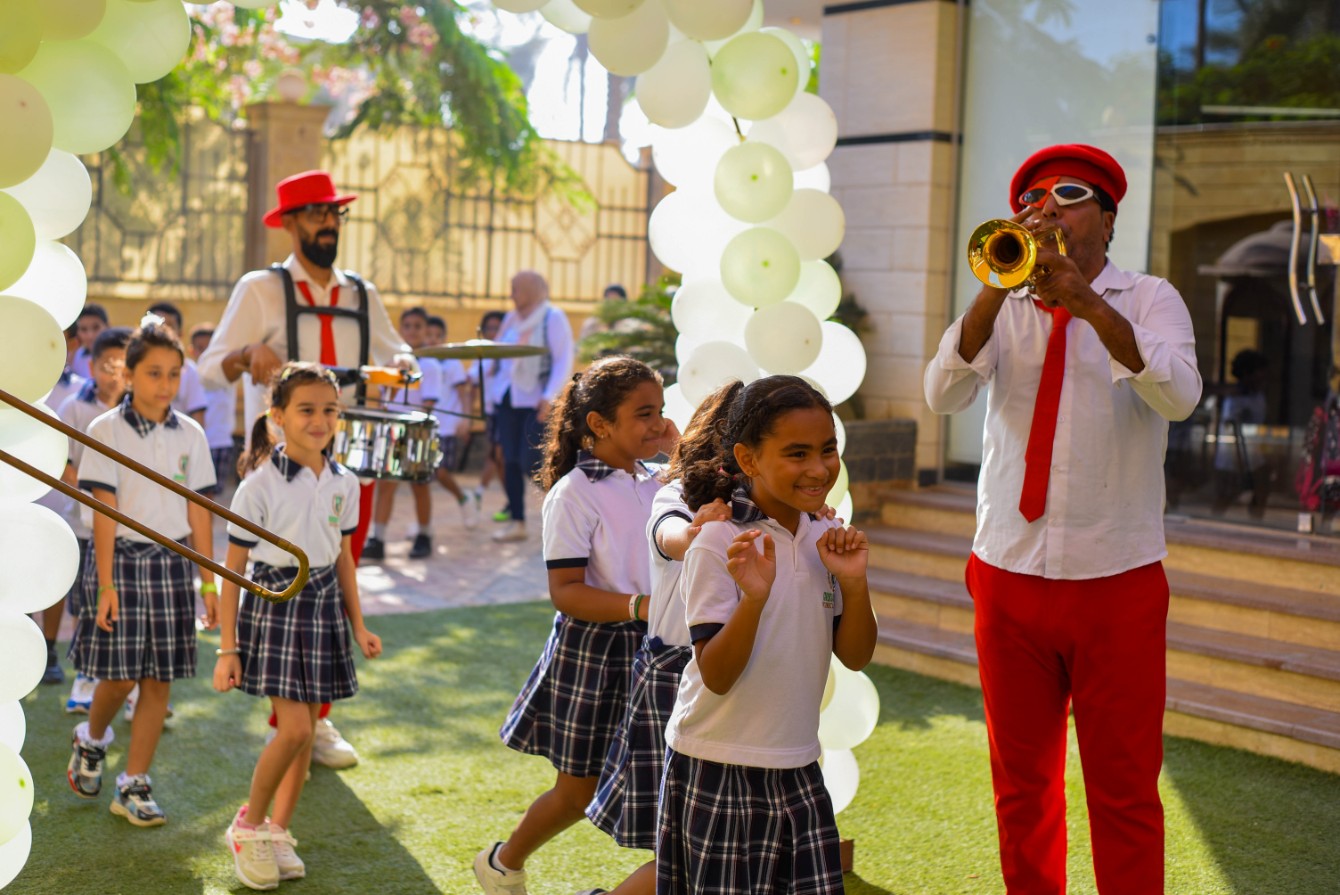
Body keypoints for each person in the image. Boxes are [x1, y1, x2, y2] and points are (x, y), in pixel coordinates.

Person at [923, 144, 1202, 894]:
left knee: (1125, 787)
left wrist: (1086, 302)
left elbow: (1180, 397)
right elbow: (942, 394)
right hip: (1007, 572)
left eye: (1068, 194)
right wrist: (994, 287)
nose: (1045, 208)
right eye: (1032, 198)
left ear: (1107, 219)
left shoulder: (1150, 298)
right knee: (1021, 786)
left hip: (1117, 579)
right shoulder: (1002, 303)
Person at [197, 168, 411, 767]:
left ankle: (313, 720)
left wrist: (405, 366)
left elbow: (395, 351)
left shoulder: (362, 294)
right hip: (280, 468)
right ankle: (291, 722)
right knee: (281, 588)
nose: (328, 224)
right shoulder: (260, 289)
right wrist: (245, 354)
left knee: (333, 587)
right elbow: (211, 366)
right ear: (290, 223)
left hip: (348, 466)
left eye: (334, 213)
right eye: (316, 213)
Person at [656, 375, 875, 895]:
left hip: (799, 765)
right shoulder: (719, 540)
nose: (819, 468)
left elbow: (856, 656)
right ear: (748, 459)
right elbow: (717, 674)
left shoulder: (827, 535)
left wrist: (854, 582)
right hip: (719, 763)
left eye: (827, 450)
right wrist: (754, 599)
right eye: (797, 453)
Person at [474, 356, 672, 895]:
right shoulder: (575, 491)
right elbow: (565, 592)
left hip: (657, 649)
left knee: (667, 781)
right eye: (644, 413)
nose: (658, 423)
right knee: (577, 792)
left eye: (660, 410)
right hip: (597, 651)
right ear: (599, 424)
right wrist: (641, 606)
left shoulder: (661, 481)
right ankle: (503, 862)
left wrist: (675, 450)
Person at [214, 362, 382, 891]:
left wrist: (358, 625)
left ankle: (277, 830)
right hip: (278, 603)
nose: (320, 420)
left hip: (325, 603)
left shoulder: (345, 482)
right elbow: (233, 570)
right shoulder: (258, 485)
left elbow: (345, 558)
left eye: (329, 410)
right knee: (296, 730)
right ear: (277, 417)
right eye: (306, 409)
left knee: (306, 734)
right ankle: (247, 827)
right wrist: (227, 648)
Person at [583, 383, 736, 895]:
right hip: (675, 673)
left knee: (704, 843)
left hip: (732, 676)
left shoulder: (757, 508)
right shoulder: (677, 496)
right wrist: (696, 533)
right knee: (684, 848)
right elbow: (668, 534)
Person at [67, 320, 218, 827]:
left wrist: (208, 582)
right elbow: (104, 512)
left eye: (174, 373)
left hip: (172, 562)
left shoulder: (191, 434)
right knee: (119, 676)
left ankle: (133, 783)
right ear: (128, 374)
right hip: (121, 560)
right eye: (154, 372)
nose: (166, 384)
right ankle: (92, 739)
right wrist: (106, 584)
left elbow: (200, 511)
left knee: (158, 680)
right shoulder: (105, 429)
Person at [57, 327, 132, 713]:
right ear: (92, 365)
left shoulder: (140, 412)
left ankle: (131, 688)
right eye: (106, 366)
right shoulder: (74, 407)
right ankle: (85, 679)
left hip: (130, 530)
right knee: (88, 604)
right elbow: (62, 460)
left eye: (122, 366)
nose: (114, 375)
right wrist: (91, 494)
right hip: (85, 525)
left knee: (128, 604)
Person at [490, 271, 574, 543]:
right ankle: (517, 522)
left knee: (531, 461)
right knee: (510, 461)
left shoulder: (552, 317)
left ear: (531, 289)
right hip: (508, 398)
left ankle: (565, 511)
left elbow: (563, 360)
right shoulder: (511, 319)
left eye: (516, 288)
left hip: (536, 401)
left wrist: (550, 397)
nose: (511, 294)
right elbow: (496, 353)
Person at [364, 307, 445, 560]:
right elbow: (385, 399)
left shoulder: (429, 365)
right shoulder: (391, 363)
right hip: (392, 431)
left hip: (417, 432)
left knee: (419, 486)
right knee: (385, 485)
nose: (412, 331)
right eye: (407, 326)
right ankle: (378, 538)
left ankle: (424, 534)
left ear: (426, 330)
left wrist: (416, 430)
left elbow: (428, 403)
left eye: (418, 326)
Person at [35, 323, 87, 685]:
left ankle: (50, 648)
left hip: (61, 503)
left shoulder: (81, 391)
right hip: (14, 498)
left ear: (73, 342)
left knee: (54, 576)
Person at [424, 314, 478, 528]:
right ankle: (423, 522)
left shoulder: (452, 363)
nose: (433, 339)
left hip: (446, 426)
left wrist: (466, 419)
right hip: (427, 426)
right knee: (423, 476)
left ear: (444, 338)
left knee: (440, 471)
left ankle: (463, 498)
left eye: (438, 335)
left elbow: (463, 393)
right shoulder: (422, 363)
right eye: (429, 335)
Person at [1213, 348, 1271, 517]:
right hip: (1233, 457)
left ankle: (1256, 520)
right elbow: (1232, 430)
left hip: (1254, 454)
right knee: (1227, 494)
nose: (1264, 376)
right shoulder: (1235, 399)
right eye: (1259, 371)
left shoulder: (1257, 395)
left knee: (1261, 490)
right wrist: (1239, 464)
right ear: (1247, 373)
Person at [189, 324, 239, 495]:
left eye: (209, 349)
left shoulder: (225, 374)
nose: (204, 354)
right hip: (195, 442)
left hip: (219, 441)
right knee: (194, 490)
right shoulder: (189, 374)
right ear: (192, 351)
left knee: (211, 493)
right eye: (200, 348)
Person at [472, 309, 509, 522]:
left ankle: (479, 492)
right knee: (497, 458)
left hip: (505, 412)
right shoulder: (484, 356)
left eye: (498, 328)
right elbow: (471, 380)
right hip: (491, 414)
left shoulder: (509, 357)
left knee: (499, 456)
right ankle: (510, 501)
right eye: (489, 328)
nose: (493, 332)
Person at [147, 301, 208, 427]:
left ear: (180, 334)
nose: (162, 332)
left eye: (169, 327)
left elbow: (198, 418)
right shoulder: (135, 366)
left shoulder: (189, 371)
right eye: (157, 326)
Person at [71, 303, 109, 380]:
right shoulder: (75, 356)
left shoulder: (118, 355)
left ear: (107, 326)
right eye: (83, 329)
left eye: (96, 327)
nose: (90, 336)